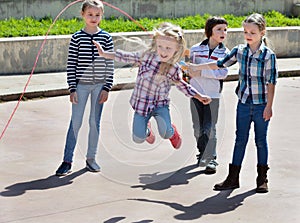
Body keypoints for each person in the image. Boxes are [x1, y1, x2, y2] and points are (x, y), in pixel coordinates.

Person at [188, 13, 278, 193]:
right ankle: (233, 178)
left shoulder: (268, 55)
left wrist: (269, 107)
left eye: (252, 32)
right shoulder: (239, 51)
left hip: (261, 105)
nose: (248, 35)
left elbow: (271, 82)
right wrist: (197, 67)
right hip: (243, 104)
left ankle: (262, 179)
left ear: (262, 32)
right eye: (246, 32)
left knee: (261, 141)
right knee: (240, 140)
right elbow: (220, 65)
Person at [93, 22, 211, 150]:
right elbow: (125, 56)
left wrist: (199, 96)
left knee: (165, 133)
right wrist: (104, 53)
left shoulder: (173, 68)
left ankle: (172, 132)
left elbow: (182, 85)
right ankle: (147, 129)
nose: (164, 51)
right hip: (142, 105)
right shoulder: (146, 56)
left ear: (176, 49)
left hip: (160, 105)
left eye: (168, 48)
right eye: (160, 46)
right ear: (156, 44)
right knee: (138, 138)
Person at [56, 0, 114, 176]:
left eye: (97, 15)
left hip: (99, 86)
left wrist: (107, 87)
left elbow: (109, 63)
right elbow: (71, 64)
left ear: (101, 16)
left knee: (94, 122)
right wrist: (72, 88)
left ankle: (91, 158)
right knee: (75, 122)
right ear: (83, 14)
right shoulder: (77, 37)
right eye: (90, 14)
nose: (94, 18)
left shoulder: (106, 37)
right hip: (81, 86)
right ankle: (67, 160)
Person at [188, 17, 229, 174]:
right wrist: (187, 71)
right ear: (210, 30)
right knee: (198, 127)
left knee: (209, 127)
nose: (223, 32)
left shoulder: (225, 53)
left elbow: (223, 73)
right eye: (219, 29)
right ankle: (202, 155)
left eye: (225, 29)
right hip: (196, 95)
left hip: (213, 96)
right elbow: (188, 68)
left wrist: (201, 71)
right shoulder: (195, 49)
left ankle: (211, 158)